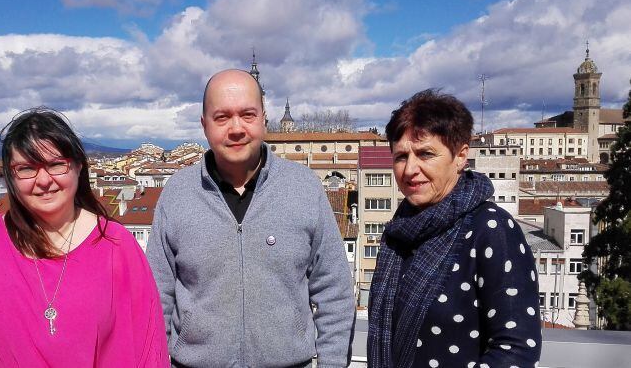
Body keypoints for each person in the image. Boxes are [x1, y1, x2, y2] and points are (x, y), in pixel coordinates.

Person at [0, 108, 169, 367]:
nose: (43, 180)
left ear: (77, 166)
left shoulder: (116, 246)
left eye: (55, 165)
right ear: (10, 176)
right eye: (27, 168)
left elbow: (148, 349)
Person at [147, 69, 355, 367]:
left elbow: (334, 290)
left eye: (247, 114)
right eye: (222, 117)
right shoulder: (177, 193)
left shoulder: (304, 188)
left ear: (263, 119)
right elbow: (156, 296)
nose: (236, 128)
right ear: (204, 125)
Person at [366, 89, 542, 368]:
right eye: (401, 156)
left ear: (460, 156)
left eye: (425, 154)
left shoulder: (491, 229)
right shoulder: (399, 232)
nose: (410, 169)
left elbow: (515, 349)